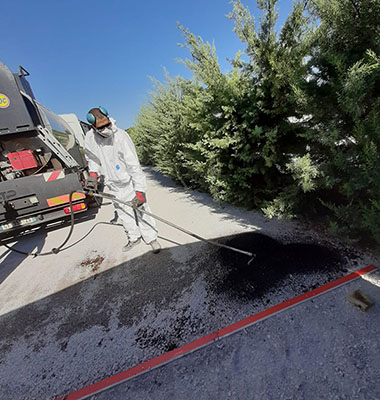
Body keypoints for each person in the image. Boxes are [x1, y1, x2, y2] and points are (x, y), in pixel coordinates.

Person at [84, 106, 161, 253]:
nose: (107, 128)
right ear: (93, 127)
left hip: (129, 183)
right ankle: (134, 237)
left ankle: (151, 238)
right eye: (102, 127)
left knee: (141, 209)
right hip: (113, 184)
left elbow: (134, 165)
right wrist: (93, 175)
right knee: (123, 212)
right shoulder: (90, 138)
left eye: (107, 124)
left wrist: (140, 191)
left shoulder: (121, 136)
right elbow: (92, 159)